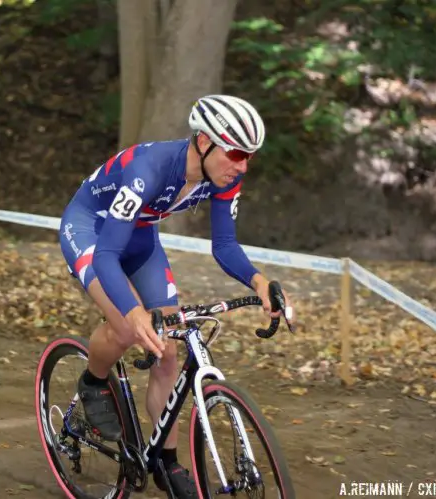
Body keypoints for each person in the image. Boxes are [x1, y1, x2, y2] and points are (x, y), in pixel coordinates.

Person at [59, 94, 295, 498]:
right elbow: (107, 256)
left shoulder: (226, 176)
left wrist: (258, 282)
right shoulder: (148, 169)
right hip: (92, 232)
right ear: (203, 142)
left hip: (140, 238)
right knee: (128, 328)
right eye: (236, 153)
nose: (242, 166)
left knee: (168, 349)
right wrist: (133, 313)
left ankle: (165, 462)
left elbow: (223, 245)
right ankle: (93, 382)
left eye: (249, 157)